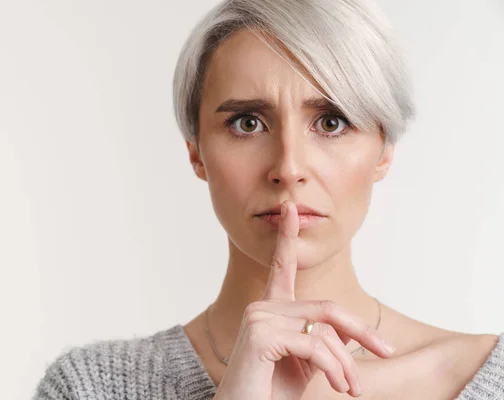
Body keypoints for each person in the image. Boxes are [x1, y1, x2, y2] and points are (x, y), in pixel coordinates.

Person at [32, 0, 504, 398]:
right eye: (247, 123)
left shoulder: (486, 377)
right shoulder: (91, 388)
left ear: (384, 151)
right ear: (196, 152)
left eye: (331, 122)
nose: (289, 168)